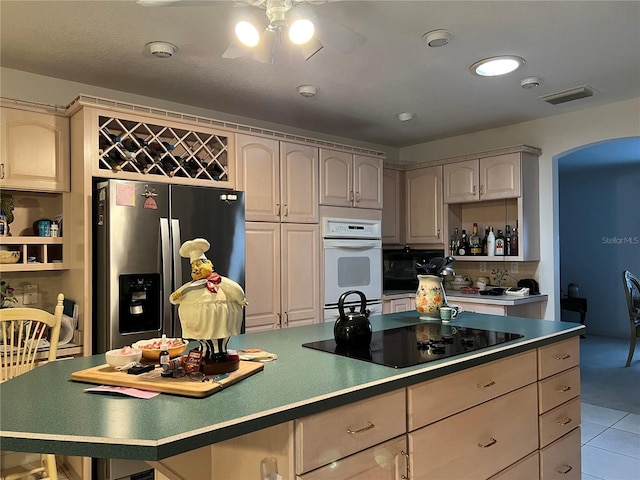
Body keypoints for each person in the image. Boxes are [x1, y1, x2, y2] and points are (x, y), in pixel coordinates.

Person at [170, 238, 247, 361]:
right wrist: (175, 297)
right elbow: (175, 298)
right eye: (193, 267)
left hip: (218, 316)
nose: (196, 269)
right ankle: (205, 350)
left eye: (199, 264)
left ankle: (219, 351)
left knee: (218, 333)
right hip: (198, 321)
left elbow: (235, 289)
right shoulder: (190, 286)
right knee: (203, 337)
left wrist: (241, 299)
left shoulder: (219, 281)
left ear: (210, 264)